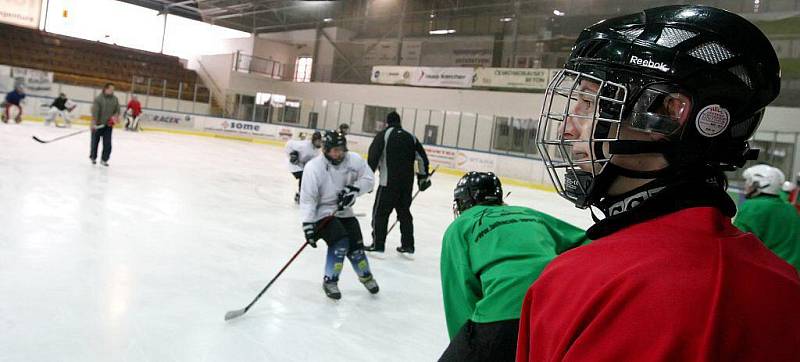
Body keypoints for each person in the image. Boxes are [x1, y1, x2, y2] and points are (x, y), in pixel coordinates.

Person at [518, 5, 800, 361]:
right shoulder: (784, 286)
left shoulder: (577, 282)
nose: (566, 129)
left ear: (666, 114)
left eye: (590, 102)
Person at [439, 172, 587, 362]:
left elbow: (459, 293)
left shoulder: (460, 226)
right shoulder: (528, 213)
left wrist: (463, 342)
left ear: (463, 201)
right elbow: (589, 242)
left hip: (502, 315)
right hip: (560, 312)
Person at [300, 130, 379, 299]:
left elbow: (369, 179)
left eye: (341, 149)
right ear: (326, 150)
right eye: (334, 150)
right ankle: (330, 281)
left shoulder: (354, 159)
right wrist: (307, 224)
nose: (339, 153)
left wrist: (354, 190)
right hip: (323, 213)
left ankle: (366, 276)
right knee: (340, 241)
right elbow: (308, 199)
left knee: (356, 246)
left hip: (345, 211)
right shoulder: (314, 168)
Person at [365, 111, 430, 255]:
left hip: (387, 183)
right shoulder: (411, 137)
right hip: (406, 185)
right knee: (404, 214)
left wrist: (368, 180)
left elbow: (373, 157)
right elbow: (421, 158)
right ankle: (408, 245)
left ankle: (378, 244)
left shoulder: (384, 135)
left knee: (380, 214)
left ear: (387, 122)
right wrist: (422, 177)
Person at [734, 164, 800, 273]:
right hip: (794, 275)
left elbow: (736, 245)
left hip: (772, 274)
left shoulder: (752, 207)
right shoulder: (790, 208)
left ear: (761, 184)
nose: (746, 185)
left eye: (749, 181)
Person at [285, 131, 322, 203]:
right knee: (304, 176)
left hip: (303, 165)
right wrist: (292, 155)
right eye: (318, 141)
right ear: (313, 140)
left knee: (311, 177)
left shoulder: (317, 150)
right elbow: (289, 144)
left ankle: (305, 194)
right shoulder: (304, 145)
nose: (319, 143)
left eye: (320, 141)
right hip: (294, 165)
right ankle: (300, 195)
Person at [90, 83, 120, 167]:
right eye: (111, 89)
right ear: (105, 89)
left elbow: (117, 110)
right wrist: (94, 122)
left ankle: (104, 159)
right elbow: (95, 111)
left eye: (113, 89)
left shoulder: (115, 99)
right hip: (98, 125)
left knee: (107, 143)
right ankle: (93, 157)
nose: (112, 91)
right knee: (94, 143)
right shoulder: (98, 99)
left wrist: (115, 117)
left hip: (108, 126)